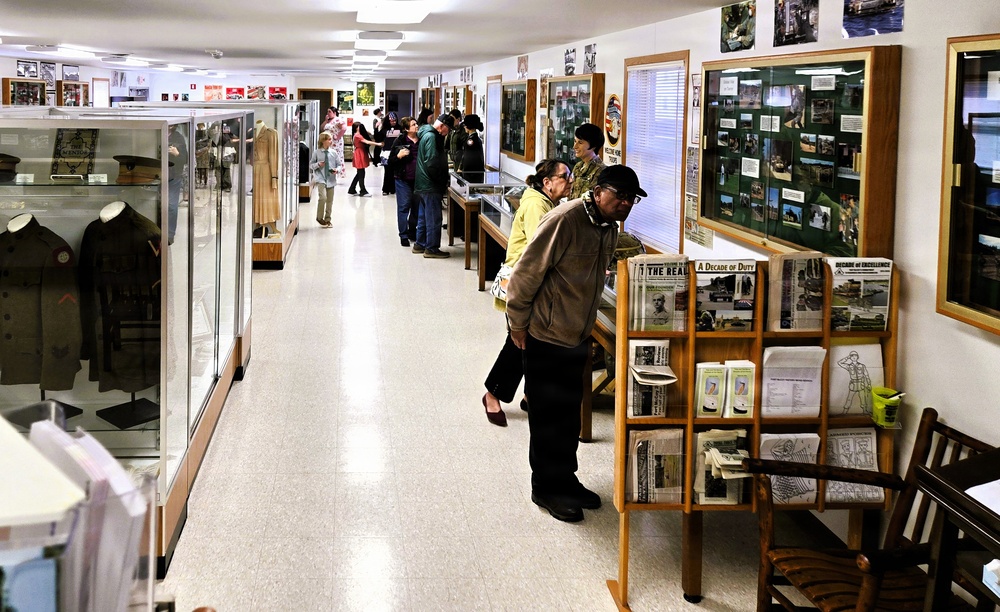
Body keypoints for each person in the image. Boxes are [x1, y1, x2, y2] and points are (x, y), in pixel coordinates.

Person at [506, 164, 645, 522]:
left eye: (632, 199)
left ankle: (565, 479)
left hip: (578, 334)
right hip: (546, 334)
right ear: (598, 192)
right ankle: (546, 488)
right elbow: (525, 273)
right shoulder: (564, 219)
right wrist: (517, 324)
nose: (626, 204)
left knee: (569, 416)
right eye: (620, 196)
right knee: (547, 414)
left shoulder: (607, 227)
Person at [482, 159, 573, 426]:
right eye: (564, 176)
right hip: (523, 284)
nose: (569, 181)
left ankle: (530, 395)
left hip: (536, 283)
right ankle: (492, 393)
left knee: (532, 343)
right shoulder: (536, 204)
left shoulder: (546, 202)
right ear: (547, 182)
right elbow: (540, 249)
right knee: (519, 342)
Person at [413, 113, 454, 259]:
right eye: (447, 129)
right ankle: (431, 248)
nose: (447, 133)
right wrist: (440, 179)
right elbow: (431, 162)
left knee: (424, 216)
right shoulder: (431, 137)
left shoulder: (426, 134)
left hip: (423, 183)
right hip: (430, 184)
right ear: (442, 126)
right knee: (434, 218)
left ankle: (420, 243)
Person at [390, 116, 420, 247]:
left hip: (418, 180)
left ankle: (412, 231)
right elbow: (390, 161)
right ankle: (403, 235)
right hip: (403, 180)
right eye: (413, 125)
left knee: (416, 207)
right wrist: (398, 156)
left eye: (416, 124)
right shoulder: (400, 140)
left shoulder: (422, 139)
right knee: (403, 207)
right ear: (407, 128)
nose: (416, 126)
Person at [309, 131, 341, 228]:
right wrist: (318, 164)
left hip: (331, 179)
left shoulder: (334, 153)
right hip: (321, 178)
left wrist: (337, 170)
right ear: (323, 141)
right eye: (329, 139)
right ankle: (319, 217)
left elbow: (339, 165)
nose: (331, 141)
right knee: (323, 197)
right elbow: (311, 165)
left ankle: (328, 219)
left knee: (330, 200)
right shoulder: (317, 152)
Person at [569, 123, 606, 199]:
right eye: (575, 141)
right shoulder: (578, 166)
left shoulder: (601, 171)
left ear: (593, 146)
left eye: (580, 142)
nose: (575, 146)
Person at [166, 123, 187, 245]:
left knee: (172, 205)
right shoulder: (155, 134)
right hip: (157, 174)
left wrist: (177, 154)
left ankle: (170, 234)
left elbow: (185, 158)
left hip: (174, 175)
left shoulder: (179, 137)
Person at [348, 123, 380, 197]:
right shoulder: (358, 136)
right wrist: (378, 144)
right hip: (359, 153)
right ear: (356, 128)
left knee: (360, 172)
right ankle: (363, 190)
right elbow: (367, 142)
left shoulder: (356, 135)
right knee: (361, 173)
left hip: (360, 152)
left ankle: (352, 189)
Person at [376, 112, 401, 195]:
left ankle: (393, 189)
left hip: (396, 152)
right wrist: (377, 128)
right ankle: (386, 189)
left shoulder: (399, 128)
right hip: (386, 152)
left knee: (395, 171)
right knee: (387, 172)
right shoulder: (383, 129)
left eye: (395, 120)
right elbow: (378, 137)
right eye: (392, 121)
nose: (394, 122)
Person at [322, 106, 348, 179]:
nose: (328, 113)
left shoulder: (338, 120)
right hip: (328, 142)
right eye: (327, 112)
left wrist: (338, 136)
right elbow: (322, 128)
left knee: (336, 157)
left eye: (329, 111)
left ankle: (336, 174)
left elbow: (344, 128)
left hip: (336, 142)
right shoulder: (328, 121)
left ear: (334, 113)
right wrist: (325, 121)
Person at [459, 114, 485, 182]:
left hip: (471, 175)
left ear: (468, 126)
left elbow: (468, 158)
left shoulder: (471, 141)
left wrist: (461, 169)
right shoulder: (476, 139)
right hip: (477, 173)